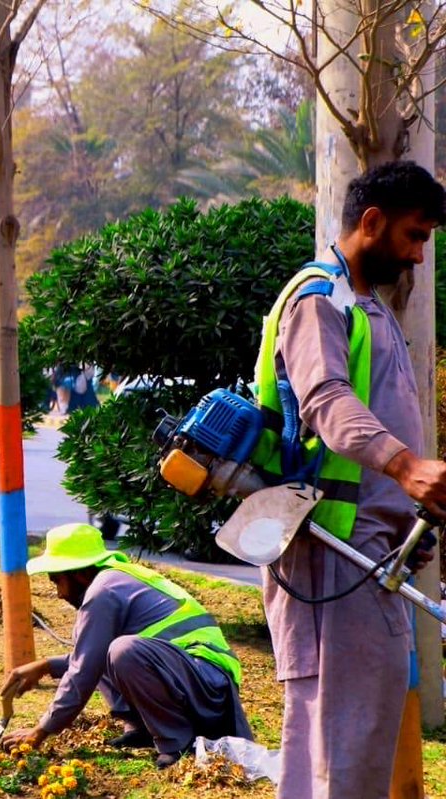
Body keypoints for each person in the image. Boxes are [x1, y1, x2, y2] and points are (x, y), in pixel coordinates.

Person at [255, 161, 446, 799]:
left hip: (368, 554)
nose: (420, 256)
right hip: (328, 555)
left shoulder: (370, 306)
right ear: (372, 222)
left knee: (355, 738)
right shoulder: (318, 300)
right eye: (414, 236)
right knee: (335, 743)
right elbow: (327, 402)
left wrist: (409, 524)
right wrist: (407, 467)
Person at [0, 523, 251, 769]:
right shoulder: (114, 580)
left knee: (123, 650)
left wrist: (41, 731)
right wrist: (46, 666)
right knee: (109, 649)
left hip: (211, 686)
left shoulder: (103, 591)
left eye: (57, 581)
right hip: (196, 678)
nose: (59, 594)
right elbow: (90, 655)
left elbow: (83, 671)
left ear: (81, 573)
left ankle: (177, 743)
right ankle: (142, 728)